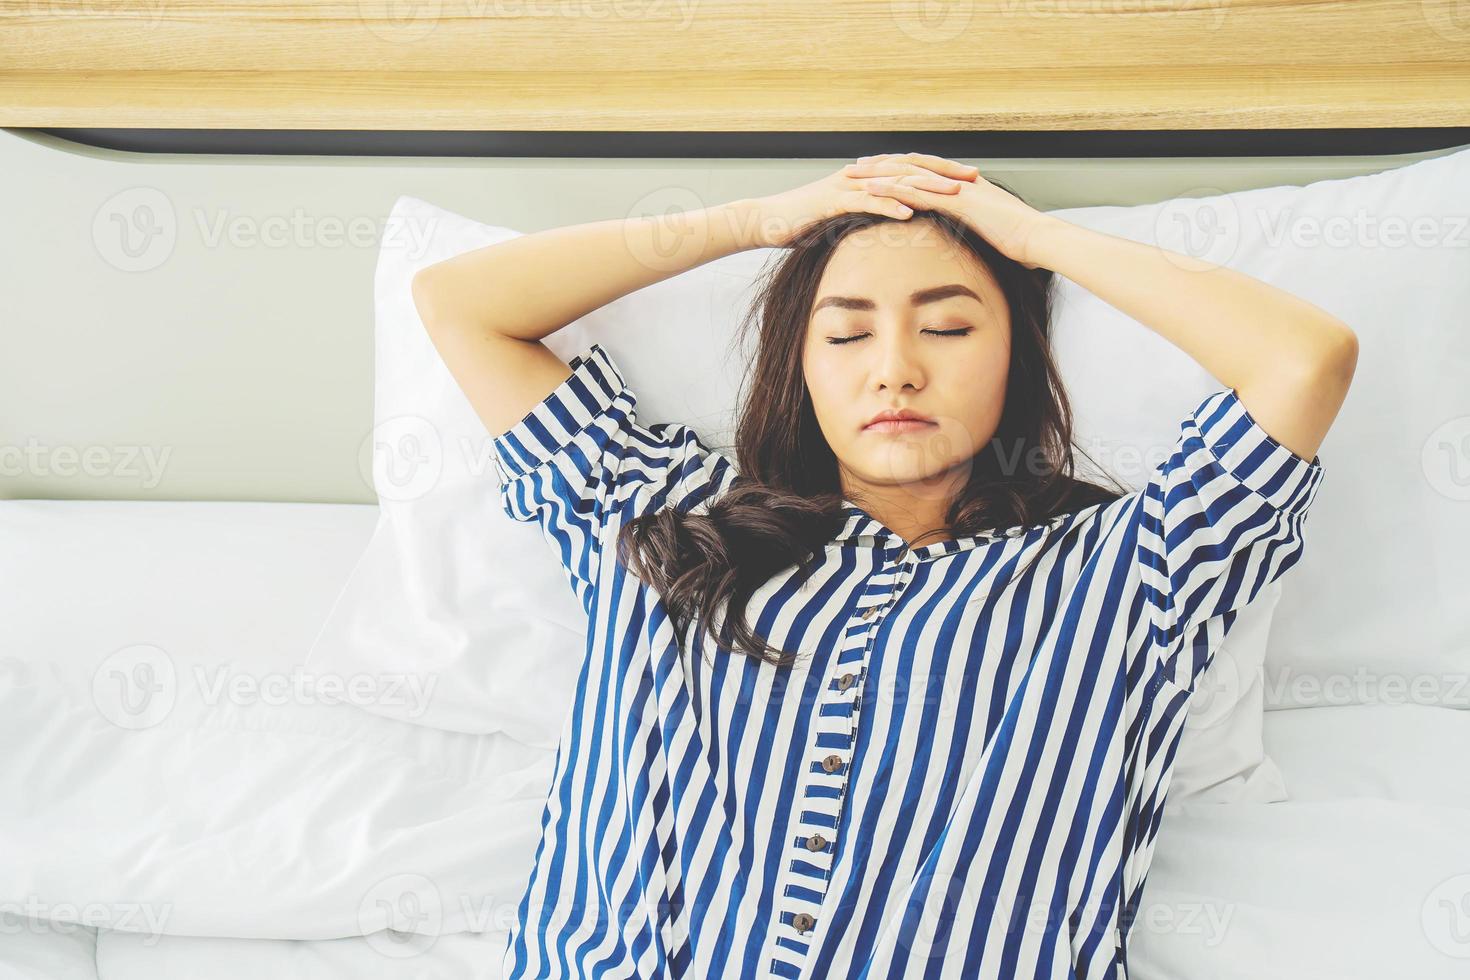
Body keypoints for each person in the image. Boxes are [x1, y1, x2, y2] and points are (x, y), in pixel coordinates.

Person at [411, 152, 1356, 979]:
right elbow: (463, 307)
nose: (896, 368)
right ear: (801, 367)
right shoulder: (662, 521)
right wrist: (760, 222)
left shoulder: (1127, 574)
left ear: (1015, 363)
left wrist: (1032, 239)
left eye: (948, 328)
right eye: (847, 331)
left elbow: (1303, 360)